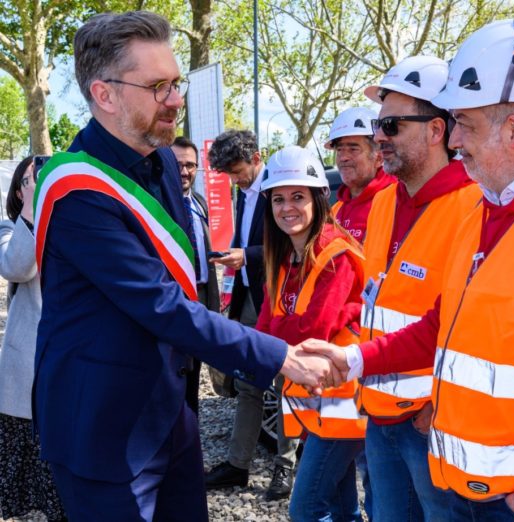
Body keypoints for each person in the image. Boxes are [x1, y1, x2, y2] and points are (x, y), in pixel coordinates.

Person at [306, 12, 514, 522]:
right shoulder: (487, 209)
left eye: (464, 124)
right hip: (473, 495)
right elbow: (442, 327)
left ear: (513, 131)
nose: (456, 140)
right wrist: (354, 361)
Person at [32, 11, 332, 522]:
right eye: (158, 87)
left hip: (172, 411)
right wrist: (279, 355)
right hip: (103, 427)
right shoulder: (75, 190)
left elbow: (188, 282)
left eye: (177, 84)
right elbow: (161, 303)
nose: (176, 100)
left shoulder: (166, 160)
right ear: (105, 95)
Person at [357, 55, 482, 522]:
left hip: (430, 425)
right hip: (380, 414)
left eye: (391, 125)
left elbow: (470, 326)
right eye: (377, 124)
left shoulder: (473, 205)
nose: (378, 137)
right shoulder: (386, 200)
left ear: (435, 131)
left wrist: (436, 407)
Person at [258, 145, 365, 522]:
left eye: (298, 197)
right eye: (279, 199)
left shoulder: (335, 252)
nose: (287, 207)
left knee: (305, 508)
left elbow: (313, 329)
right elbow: (265, 327)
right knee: (340, 506)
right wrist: (275, 336)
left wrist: (273, 339)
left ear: (319, 198)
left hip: (343, 400)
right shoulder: (285, 256)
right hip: (315, 400)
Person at [204, 129, 299, 500]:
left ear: (257, 156)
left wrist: (248, 255)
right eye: (227, 172)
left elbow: (292, 243)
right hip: (248, 298)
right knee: (247, 383)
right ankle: (237, 465)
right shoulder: (243, 195)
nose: (234, 177)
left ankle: (285, 468)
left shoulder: (280, 189)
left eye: (237, 168)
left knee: (285, 386)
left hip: (277, 299)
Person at [0, 157, 65, 522]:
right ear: (18, 190)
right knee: (34, 487)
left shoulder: (69, 226)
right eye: (28, 180)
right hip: (26, 367)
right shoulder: (8, 228)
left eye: (41, 179)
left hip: (68, 361)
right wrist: (31, 208)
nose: (36, 184)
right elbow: (17, 266)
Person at [171, 135, 220, 416]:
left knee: (194, 371)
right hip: (174, 302)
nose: (185, 171)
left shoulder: (199, 203)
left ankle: (190, 433)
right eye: (178, 164)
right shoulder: (155, 205)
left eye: (190, 165)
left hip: (201, 296)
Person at [324, 107, 393, 242]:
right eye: (340, 150)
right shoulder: (335, 211)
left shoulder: (396, 201)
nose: (343, 157)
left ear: (379, 158)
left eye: (353, 149)